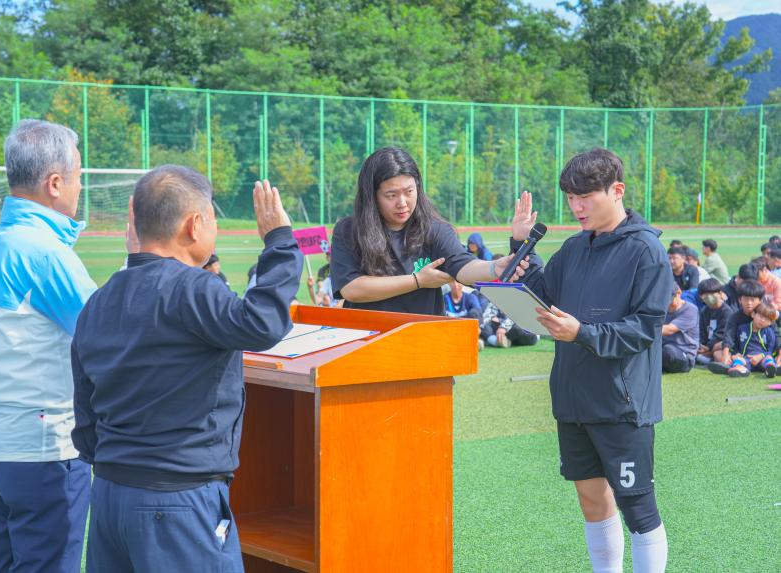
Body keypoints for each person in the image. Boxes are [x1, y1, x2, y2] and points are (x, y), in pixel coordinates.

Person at [71, 168, 303, 572]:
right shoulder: (191, 289)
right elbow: (262, 322)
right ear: (194, 225)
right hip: (176, 499)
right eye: (212, 219)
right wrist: (280, 242)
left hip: (110, 494)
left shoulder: (101, 298)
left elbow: (85, 407)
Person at [515, 148, 672, 572]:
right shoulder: (573, 248)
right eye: (569, 197)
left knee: (637, 508)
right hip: (573, 398)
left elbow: (645, 329)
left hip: (621, 404)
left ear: (616, 190)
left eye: (584, 196)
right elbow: (542, 294)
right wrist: (519, 246)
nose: (576, 207)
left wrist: (582, 332)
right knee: (590, 500)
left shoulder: (647, 252)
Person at [0, 119, 96, 572]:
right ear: (55, 183)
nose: (80, 187)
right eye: (77, 176)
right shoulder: (46, 254)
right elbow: (105, 336)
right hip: (45, 452)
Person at [330, 147, 525, 315]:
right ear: (372, 196)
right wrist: (417, 280)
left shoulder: (435, 230)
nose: (402, 203)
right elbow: (352, 289)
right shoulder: (349, 231)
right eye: (391, 195)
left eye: (409, 192)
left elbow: (462, 265)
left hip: (423, 339)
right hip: (367, 339)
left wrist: (494, 268)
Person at [712, 279, 766, 370]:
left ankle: (736, 365)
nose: (749, 303)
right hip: (740, 352)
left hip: (761, 353)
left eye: (753, 300)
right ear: (740, 300)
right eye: (745, 299)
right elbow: (728, 336)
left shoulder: (766, 315)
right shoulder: (734, 317)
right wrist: (726, 356)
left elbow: (776, 336)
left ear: (760, 300)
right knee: (717, 353)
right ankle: (733, 364)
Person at [714, 302, 778, 378]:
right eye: (760, 316)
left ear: (770, 323)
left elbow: (771, 351)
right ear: (753, 314)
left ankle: (770, 369)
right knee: (739, 360)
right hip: (746, 358)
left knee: (769, 359)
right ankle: (740, 370)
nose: (763, 320)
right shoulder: (742, 328)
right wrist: (736, 353)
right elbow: (735, 345)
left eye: (767, 319)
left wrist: (761, 356)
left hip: (762, 359)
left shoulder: (769, 332)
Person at [661, 284, 699, 373]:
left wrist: (643, 330)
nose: (667, 303)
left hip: (684, 354)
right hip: (664, 349)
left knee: (668, 351)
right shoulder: (661, 307)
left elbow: (669, 330)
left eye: (670, 300)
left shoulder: (690, 310)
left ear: (678, 293)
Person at [695, 278, 734, 366]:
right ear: (701, 297)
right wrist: (701, 345)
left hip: (720, 345)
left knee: (717, 349)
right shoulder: (704, 311)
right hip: (707, 347)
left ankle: (715, 361)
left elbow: (722, 333)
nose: (709, 297)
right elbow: (701, 331)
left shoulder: (726, 312)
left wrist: (708, 346)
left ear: (720, 293)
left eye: (712, 293)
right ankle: (707, 360)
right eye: (705, 294)